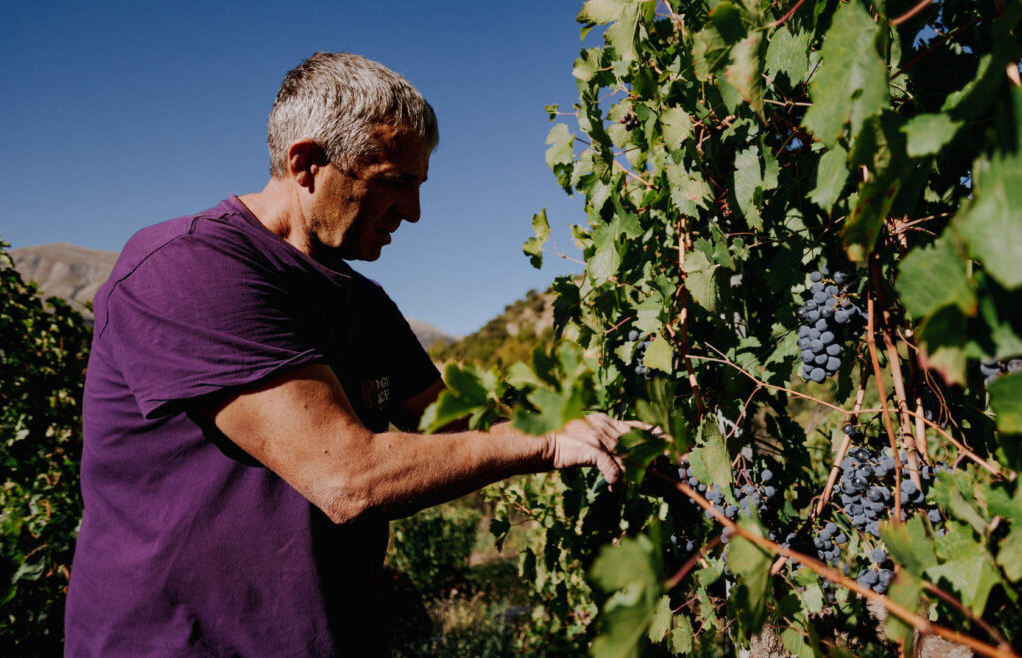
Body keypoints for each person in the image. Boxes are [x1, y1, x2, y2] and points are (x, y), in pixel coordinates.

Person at [64, 52, 635, 656]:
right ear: (306, 163)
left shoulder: (364, 303)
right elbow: (345, 476)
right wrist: (542, 444)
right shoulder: (189, 269)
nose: (413, 212)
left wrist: (571, 426)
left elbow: (449, 418)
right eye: (396, 182)